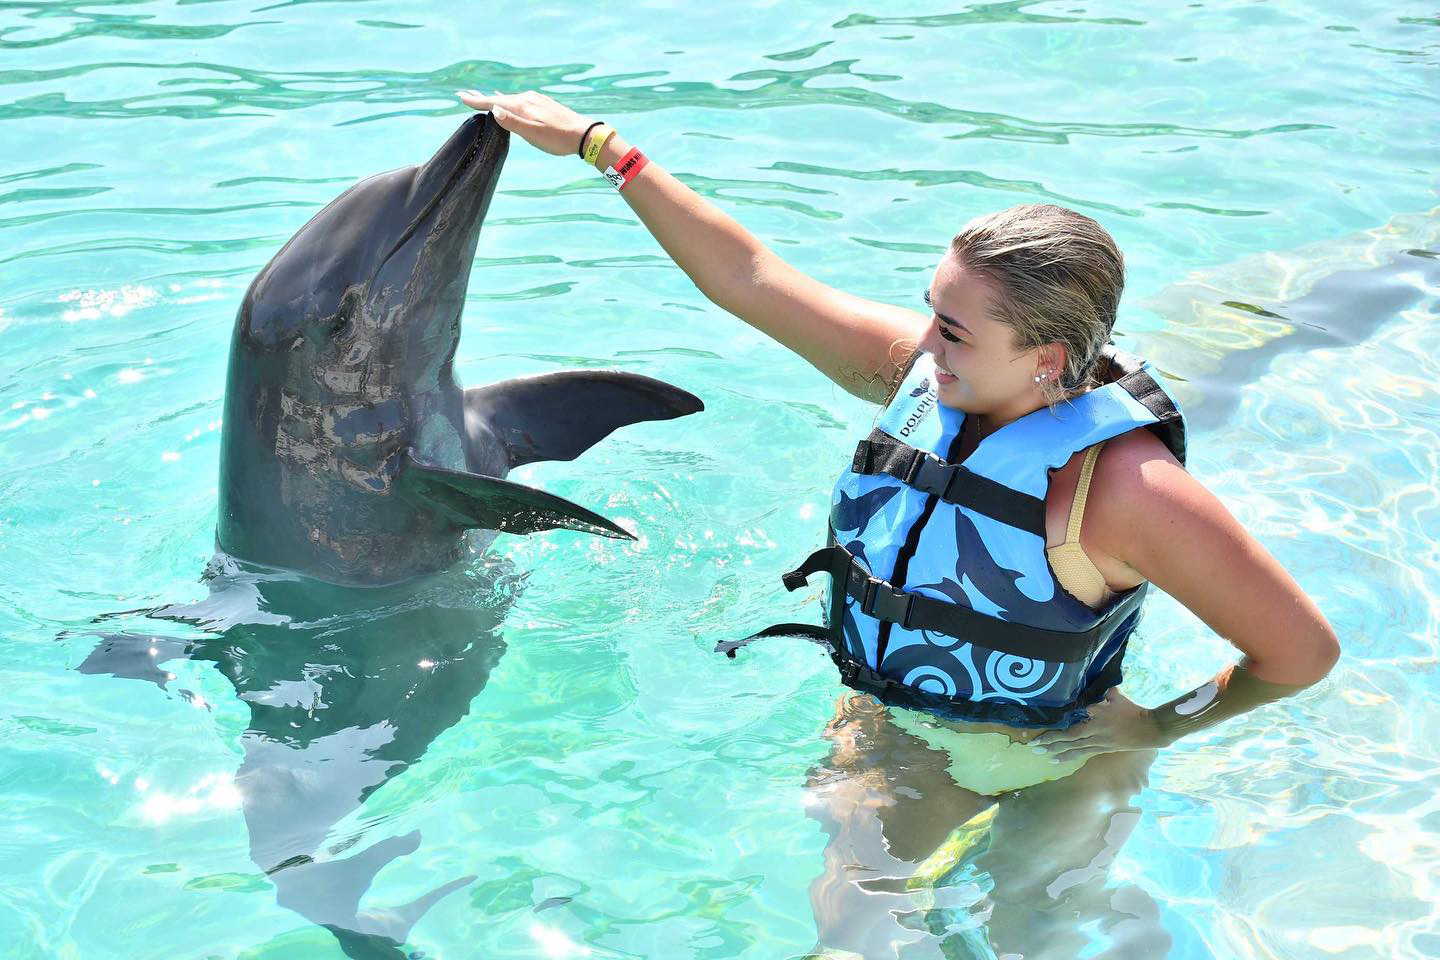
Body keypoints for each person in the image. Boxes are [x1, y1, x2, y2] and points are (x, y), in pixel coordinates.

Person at [458, 90, 1340, 959]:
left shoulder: (1125, 491)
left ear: (1049, 359)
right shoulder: (931, 381)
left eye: (950, 329)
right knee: (850, 934)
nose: (922, 344)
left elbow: (1300, 653)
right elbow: (750, 278)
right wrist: (604, 149)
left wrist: (1156, 727)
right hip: (892, 730)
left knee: (1034, 937)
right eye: (929, 308)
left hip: (1061, 752)